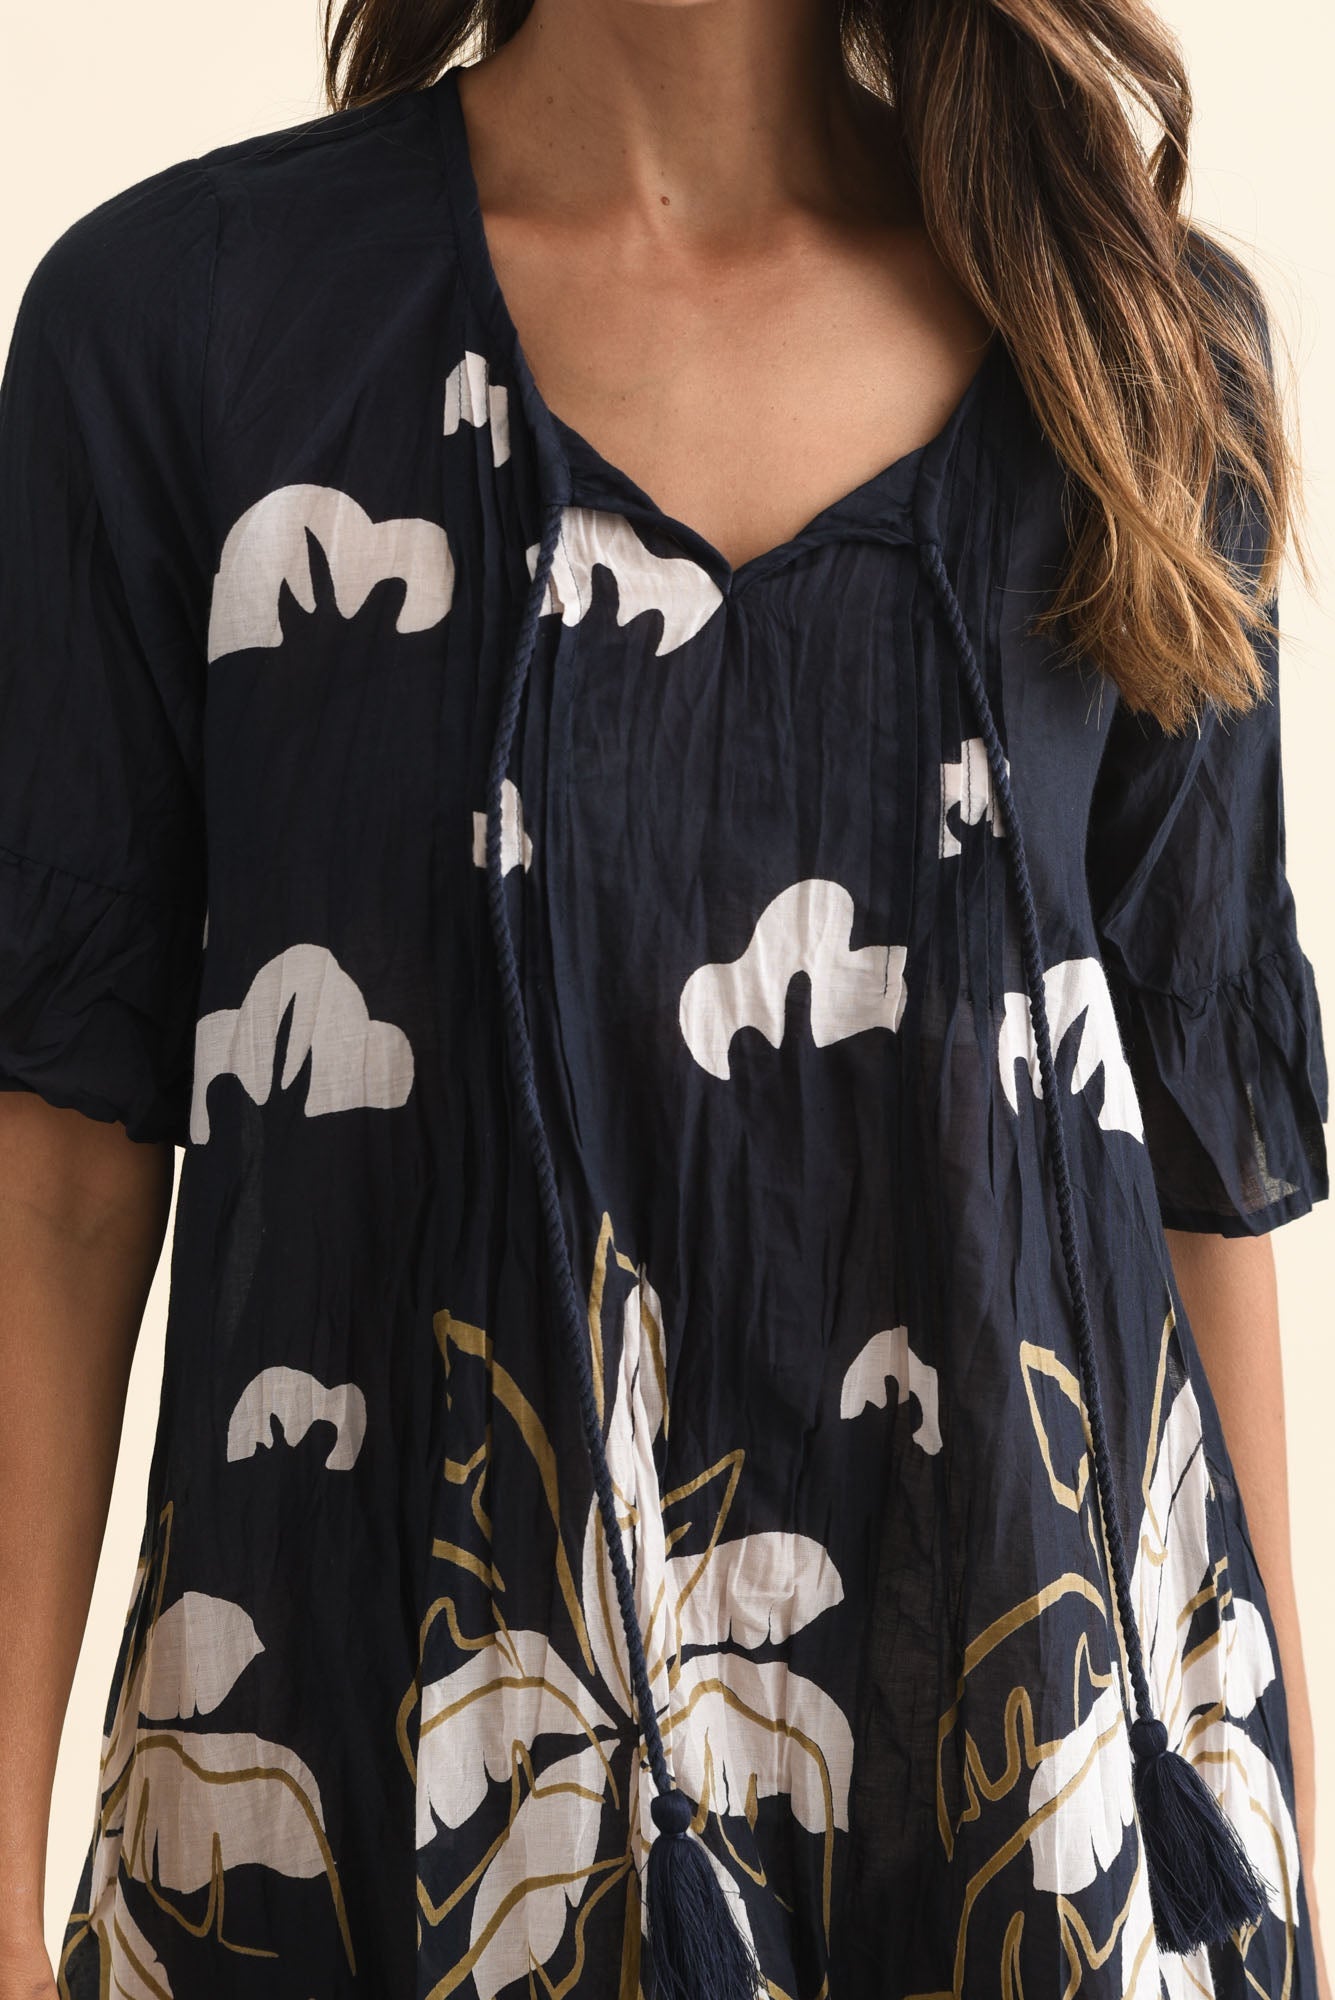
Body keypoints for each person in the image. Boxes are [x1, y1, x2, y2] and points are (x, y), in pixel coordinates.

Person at [0, 1, 1329, 1995]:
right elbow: (56, 1170)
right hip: (384, 1801)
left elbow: (1195, 1191)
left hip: (1038, 1837)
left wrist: (1294, 1880)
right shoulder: (184, 330)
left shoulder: (1130, 343)